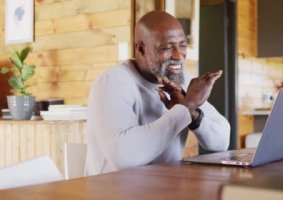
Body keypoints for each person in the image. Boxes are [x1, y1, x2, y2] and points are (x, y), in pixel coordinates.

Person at [85, 11, 230, 176]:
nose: (178, 55)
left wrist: (193, 113)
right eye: (167, 47)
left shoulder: (179, 81)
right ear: (141, 50)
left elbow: (221, 141)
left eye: (182, 45)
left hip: (164, 187)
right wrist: (187, 106)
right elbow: (125, 158)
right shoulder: (112, 81)